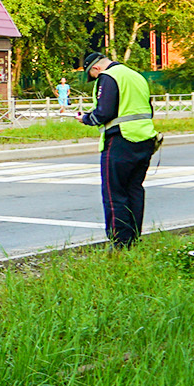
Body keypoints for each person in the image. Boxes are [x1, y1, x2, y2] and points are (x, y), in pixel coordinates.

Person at [63, 50, 159, 248]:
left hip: (120, 140)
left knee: (114, 193)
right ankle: (134, 238)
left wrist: (86, 118)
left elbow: (104, 112)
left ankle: (120, 243)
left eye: (93, 76)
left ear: (96, 68)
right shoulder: (135, 75)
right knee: (134, 190)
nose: (95, 79)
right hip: (145, 138)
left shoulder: (108, 76)